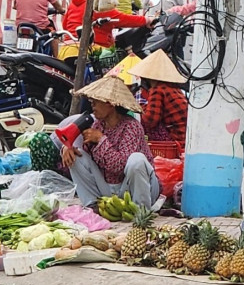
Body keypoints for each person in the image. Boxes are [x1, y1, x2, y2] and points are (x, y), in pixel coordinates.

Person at [57, 74, 160, 208]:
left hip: (133, 188)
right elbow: (86, 154)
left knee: (137, 160)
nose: (92, 105)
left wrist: (101, 140)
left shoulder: (131, 126)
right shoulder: (97, 125)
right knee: (77, 158)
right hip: (108, 189)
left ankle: (141, 210)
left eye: (96, 101)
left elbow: (120, 166)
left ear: (110, 104)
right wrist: (68, 148)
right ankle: (93, 205)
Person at [132, 51, 189, 147]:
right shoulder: (174, 88)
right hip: (184, 138)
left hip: (175, 141)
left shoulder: (158, 90)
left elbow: (149, 121)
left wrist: (139, 108)